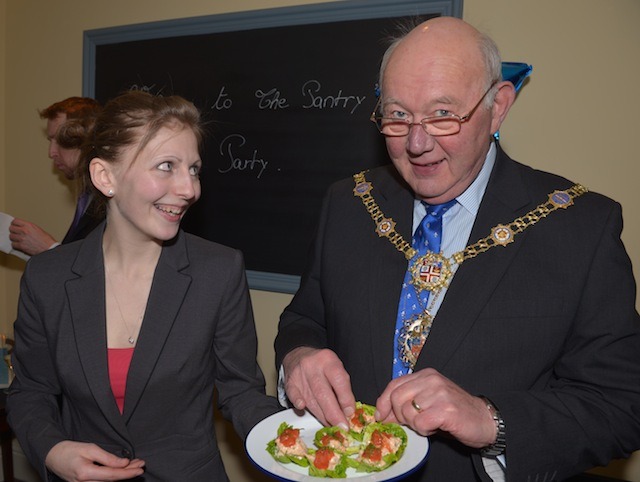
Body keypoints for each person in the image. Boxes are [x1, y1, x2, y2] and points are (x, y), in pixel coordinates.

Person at [275, 16, 640, 481]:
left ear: (499, 106)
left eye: (443, 114)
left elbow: (621, 405)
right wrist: (299, 356)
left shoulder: (581, 226)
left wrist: (491, 420)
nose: (417, 143)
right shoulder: (348, 202)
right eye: (398, 115)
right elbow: (305, 316)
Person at [7, 90, 281, 482]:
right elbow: (30, 393)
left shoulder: (218, 271)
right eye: (167, 166)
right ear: (106, 176)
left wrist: (294, 445)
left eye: (194, 169)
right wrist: (52, 449)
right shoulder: (47, 278)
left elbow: (241, 391)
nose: (190, 189)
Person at [9, 97, 103, 256]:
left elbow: (99, 268)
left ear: (84, 137)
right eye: (50, 140)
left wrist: (49, 249)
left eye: (61, 140)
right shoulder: (87, 195)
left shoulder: (109, 199)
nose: (51, 152)